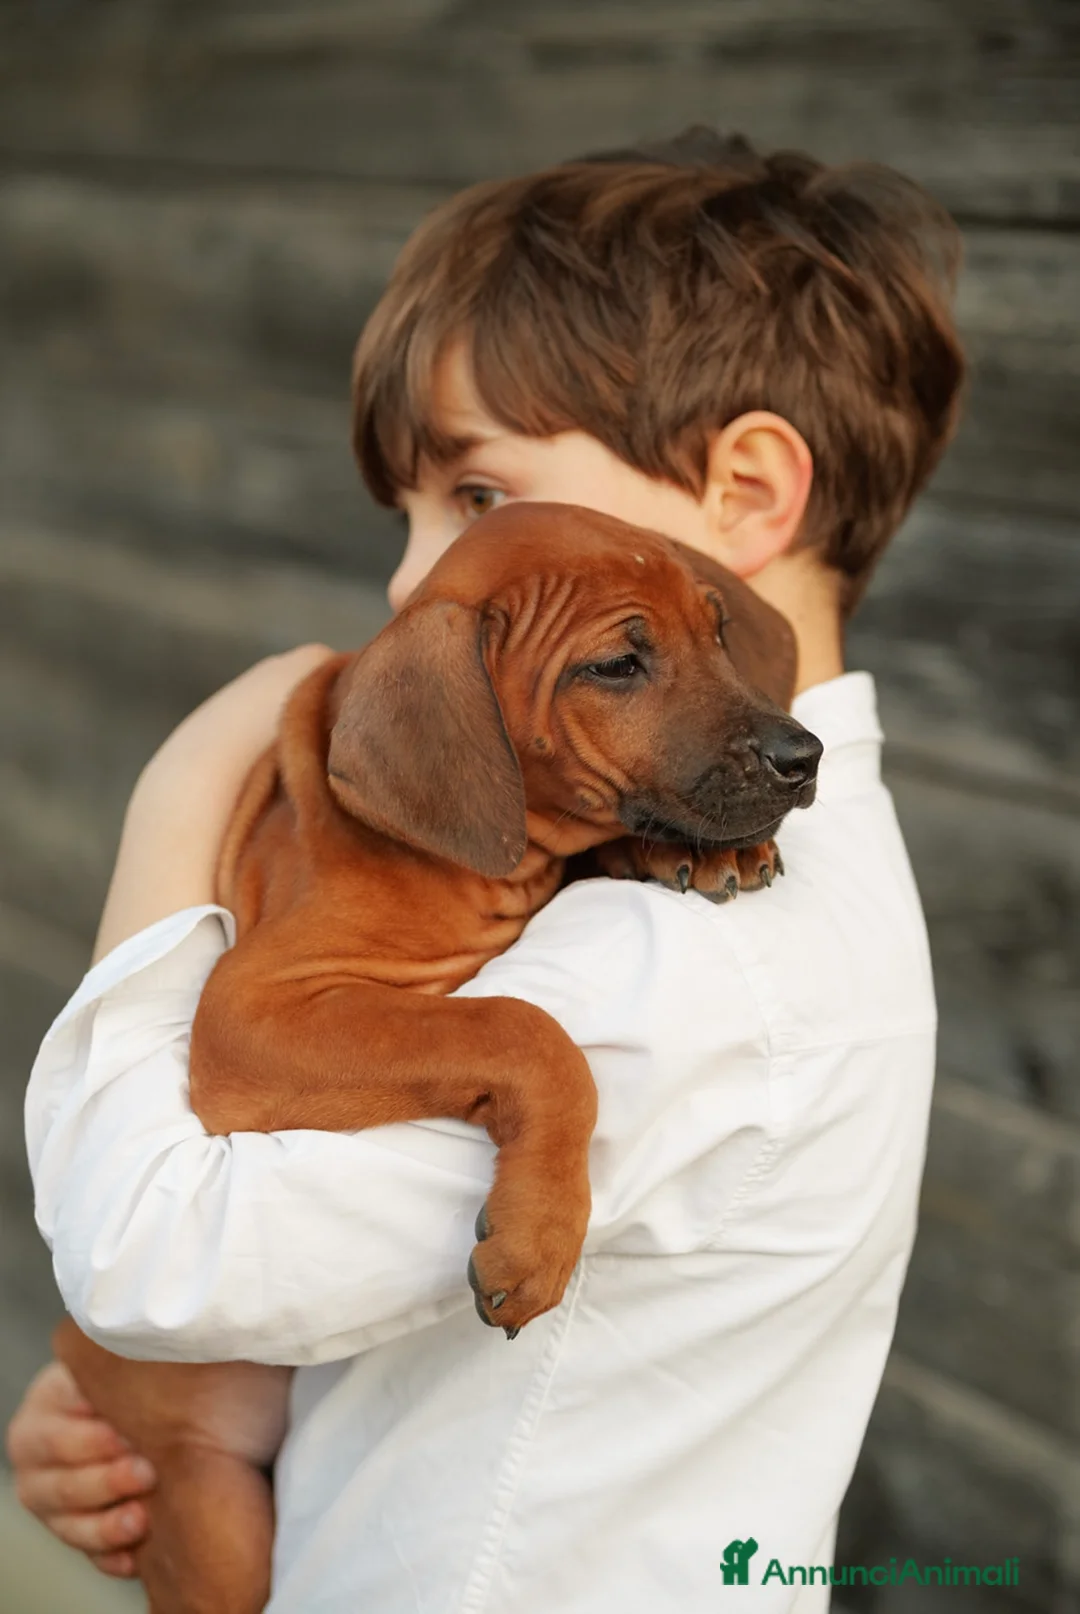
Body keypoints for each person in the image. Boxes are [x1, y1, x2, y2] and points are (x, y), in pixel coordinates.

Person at [7, 130, 964, 1610]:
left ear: (748, 492)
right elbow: (207, 1299)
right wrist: (148, 1403)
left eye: (475, 498)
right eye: (409, 515)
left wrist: (180, 791)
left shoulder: (692, 965)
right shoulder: (638, 853)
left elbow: (142, 1254)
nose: (408, 586)